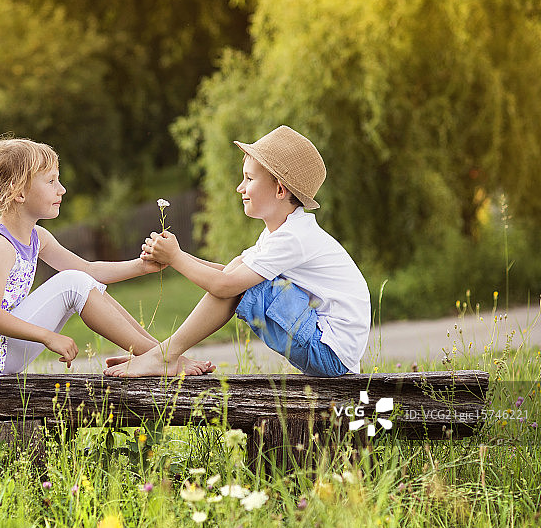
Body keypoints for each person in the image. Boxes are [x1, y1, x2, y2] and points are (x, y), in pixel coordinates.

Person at [104, 126, 370, 377]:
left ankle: (164, 356)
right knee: (239, 268)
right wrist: (175, 257)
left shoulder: (293, 237)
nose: (239, 188)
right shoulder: (284, 232)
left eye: (249, 179)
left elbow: (227, 286)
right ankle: (161, 354)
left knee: (239, 284)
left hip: (328, 350)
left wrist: (176, 257)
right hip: (327, 346)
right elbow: (230, 273)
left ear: (279, 189)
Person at [0, 136, 214, 375]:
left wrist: (141, 266)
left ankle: (160, 354)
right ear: (19, 192)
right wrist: (48, 336)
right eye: (51, 181)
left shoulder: (37, 237)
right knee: (72, 283)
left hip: (0, 350)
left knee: (82, 281)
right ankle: (161, 357)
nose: (61, 189)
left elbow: (90, 271)